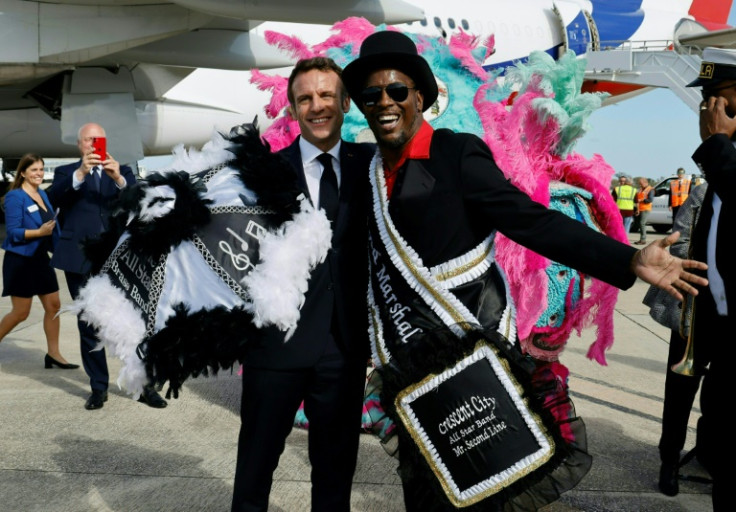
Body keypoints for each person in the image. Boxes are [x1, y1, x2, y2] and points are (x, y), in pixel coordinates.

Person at [340, 30, 708, 511]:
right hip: (413, 372)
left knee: (489, 492)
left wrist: (630, 259)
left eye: (396, 91)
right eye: (371, 94)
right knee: (428, 493)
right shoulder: (366, 173)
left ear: (420, 98)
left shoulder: (455, 153)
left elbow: (531, 220)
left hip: (472, 358)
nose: (384, 102)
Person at [231, 57, 375, 512]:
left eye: (327, 95)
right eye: (305, 99)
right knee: (253, 476)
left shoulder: (372, 167)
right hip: (275, 349)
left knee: (335, 483)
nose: (317, 106)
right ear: (292, 109)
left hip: (344, 351)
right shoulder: (263, 174)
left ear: (346, 102)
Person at [47, 123, 167, 411]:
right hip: (78, 257)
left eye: (98, 139)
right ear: (79, 144)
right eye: (89, 140)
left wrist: (120, 181)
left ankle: (144, 385)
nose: (93, 144)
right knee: (88, 322)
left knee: (131, 319)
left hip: (116, 257)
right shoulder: (67, 172)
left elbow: (140, 202)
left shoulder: (121, 170)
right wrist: (80, 175)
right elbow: (50, 199)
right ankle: (98, 387)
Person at [685, 45, 736, 512]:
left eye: (719, 98)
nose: (709, 110)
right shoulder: (724, 165)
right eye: (706, 101)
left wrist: (717, 145)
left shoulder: (725, 161)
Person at [643, 182, 707, 497]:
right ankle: (669, 460)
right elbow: (679, 243)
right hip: (693, 309)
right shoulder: (702, 192)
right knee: (679, 392)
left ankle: (708, 454)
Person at [0, 154, 78, 369]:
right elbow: (14, 233)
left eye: (41, 169)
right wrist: (39, 232)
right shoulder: (15, 197)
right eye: (34, 170)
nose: (39, 174)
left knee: (54, 306)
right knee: (20, 313)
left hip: (41, 259)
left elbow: (53, 226)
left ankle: (54, 354)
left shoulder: (42, 193)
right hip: (20, 260)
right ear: (23, 172)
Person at [635, 176, 654, 245]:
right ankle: (641, 239)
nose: (640, 185)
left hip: (646, 208)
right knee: (640, 224)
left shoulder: (650, 189)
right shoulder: (641, 189)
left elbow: (650, 200)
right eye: (639, 184)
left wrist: (642, 200)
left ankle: (643, 240)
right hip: (640, 209)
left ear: (646, 183)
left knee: (642, 223)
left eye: (641, 183)